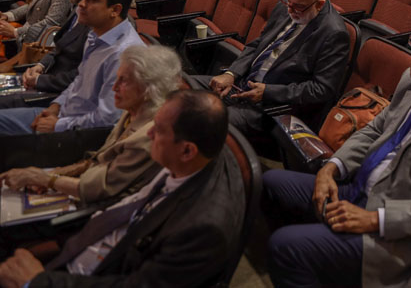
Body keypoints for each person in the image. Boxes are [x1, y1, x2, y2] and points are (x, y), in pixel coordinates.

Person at [263, 10, 411, 287]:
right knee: (270, 183)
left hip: (394, 227)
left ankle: (316, 257)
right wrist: (331, 168)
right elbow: (376, 130)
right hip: (357, 189)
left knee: (286, 247)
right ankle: (325, 261)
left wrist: (375, 219)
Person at [0, 90, 245, 287]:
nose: (148, 133)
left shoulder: (202, 230)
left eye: (159, 129)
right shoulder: (189, 159)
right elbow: (125, 209)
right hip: (92, 245)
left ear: (187, 150)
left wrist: (37, 282)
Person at [0, 45, 181, 211]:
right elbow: (98, 159)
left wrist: (45, 179)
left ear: (148, 89)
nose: (114, 88)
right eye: (116, 79)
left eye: (124, 81)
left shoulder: (149, 135)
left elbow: (101, 188)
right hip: (87, 185)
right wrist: (54, 174)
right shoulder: (132, 112)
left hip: (99, 209)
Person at [203, 0, 349, 135]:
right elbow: (258, 44)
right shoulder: (287, 5)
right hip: (240, 85)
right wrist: (231, 73)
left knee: (208, 121)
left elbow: (321, 89)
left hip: (270, 108)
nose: (290, 10)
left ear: (319, 4)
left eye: (298, 7)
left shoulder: (334, 34)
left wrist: (268, 92)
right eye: (288, 1)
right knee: (185, 88)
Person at [0, 0, 141, 136]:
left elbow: (107, 119)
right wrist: (55, 107)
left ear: (115, 10)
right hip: (63, 111)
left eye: (91, 0)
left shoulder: (124, 55)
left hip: (76, 133)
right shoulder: (95, 35)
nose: (81, 4)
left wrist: (58, 125)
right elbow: (79, 81)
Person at [0, 0, 105, 108]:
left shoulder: (98, 23)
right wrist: (41, 65)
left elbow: (82, 76)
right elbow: (59, 46)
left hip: (56, 94)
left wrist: (39, 80)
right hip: (45, 76)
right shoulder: (77, 9)